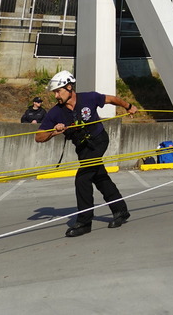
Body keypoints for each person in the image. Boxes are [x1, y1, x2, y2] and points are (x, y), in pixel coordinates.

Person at [35, 70, 137, 237]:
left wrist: (129, 106)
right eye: (54, 92)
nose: (56, 96)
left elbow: (111, 99)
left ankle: (84, 222)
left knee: (82, 178)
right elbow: (38, 137)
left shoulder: (89, 98)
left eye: (58, 91)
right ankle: (121, 211)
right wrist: (54, 131)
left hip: (98, 140)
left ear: (69, 87)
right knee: (99, 177)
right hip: (82, 148)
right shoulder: (56, 113)